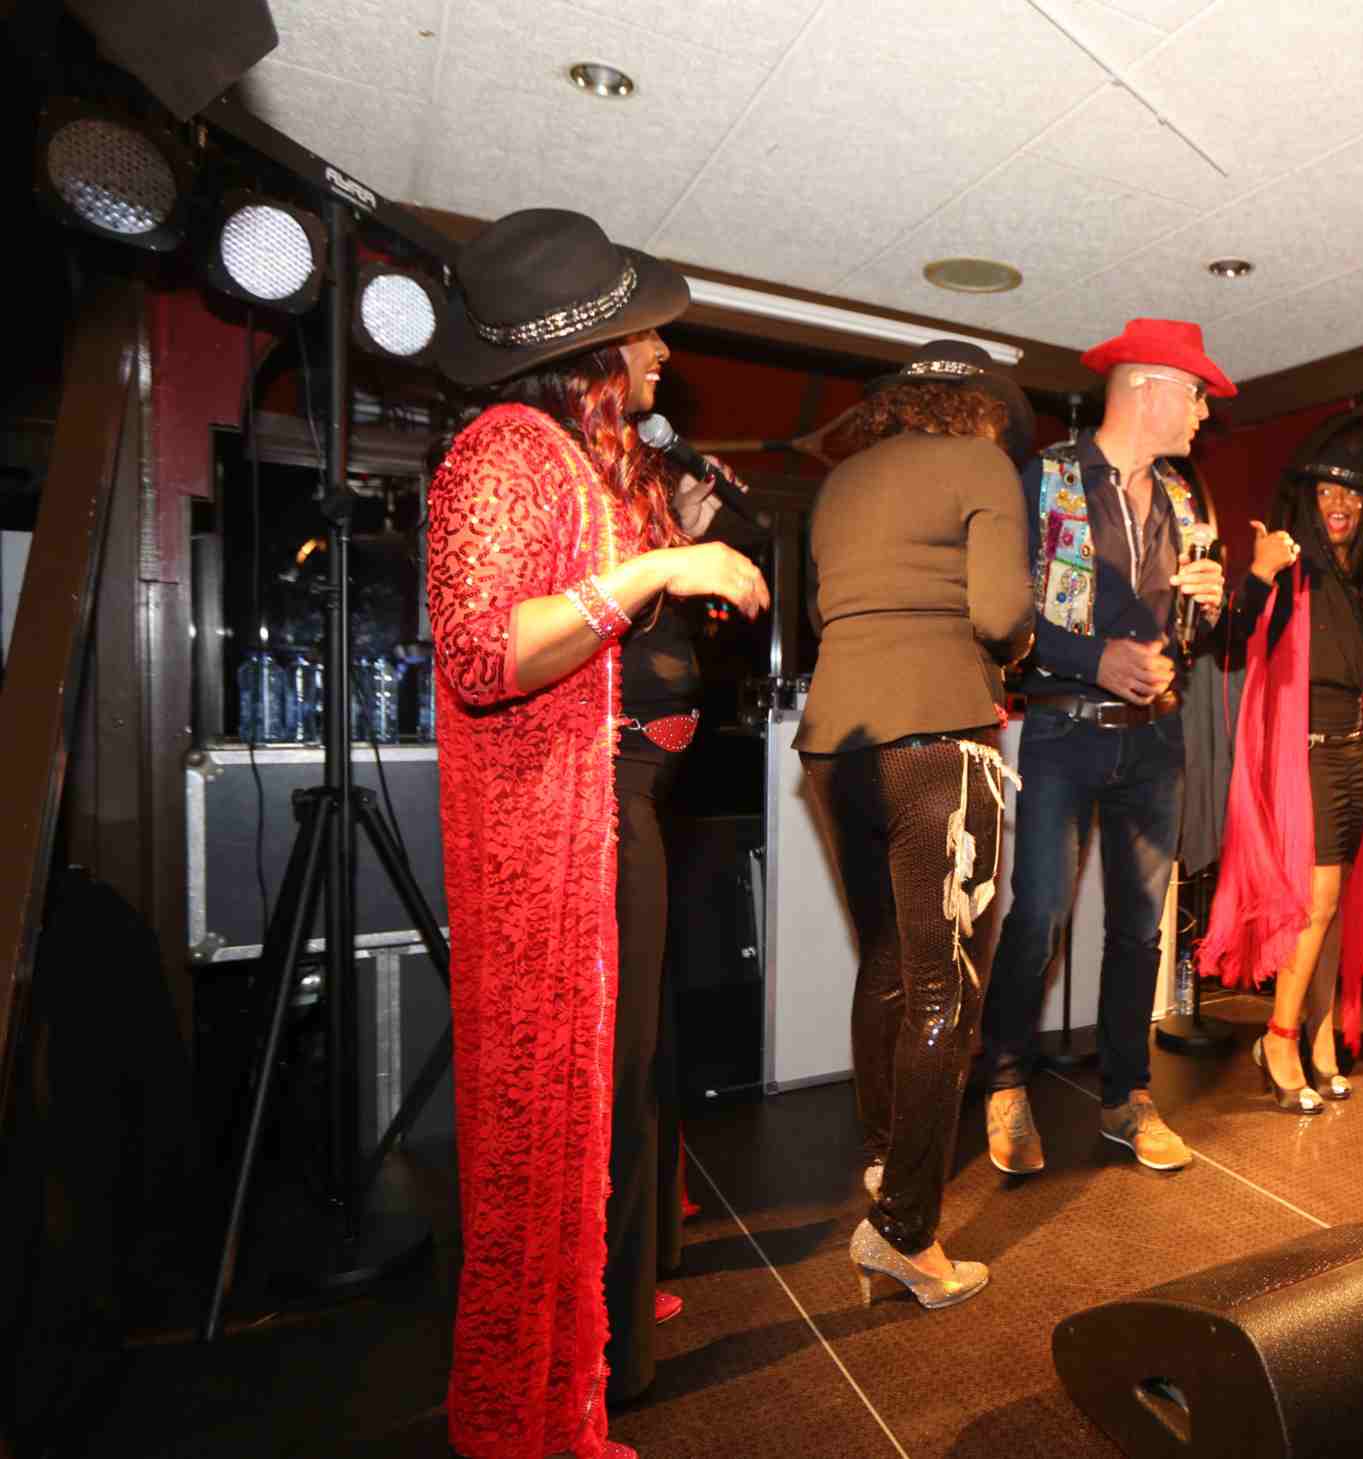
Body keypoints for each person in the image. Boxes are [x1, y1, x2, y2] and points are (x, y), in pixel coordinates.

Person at [429, 210, 769, 1459]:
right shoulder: (501, 449)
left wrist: (673, 564)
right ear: (593, 348)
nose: (664, 355)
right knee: (579, 1100)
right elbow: (484, 652)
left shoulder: (576, 459)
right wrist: (659, 573)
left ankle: (605, 1337)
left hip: (622, 803)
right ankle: (549, 1383)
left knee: (628, 1087)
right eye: (647, 334)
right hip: (568, 817)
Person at [795, 340, 1036, 1308]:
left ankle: (884, 1159)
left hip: (834, 745)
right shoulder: (980, 465)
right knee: (946, 990)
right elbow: (1001, 613)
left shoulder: (839, 483)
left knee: (887, 961)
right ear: (978, 408)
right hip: (938, 739)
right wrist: (1017, 642)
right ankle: (903, 1232)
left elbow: (823, 611)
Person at [977, 318, 1231, 1173]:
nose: (1203, 413)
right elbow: (1003, 616)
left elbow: (1190, 634)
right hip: (1064, 731)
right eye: (1196, 394)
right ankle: (1004, 1081)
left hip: (1157, 738)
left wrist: (1211, 606)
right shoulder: (1045, 479)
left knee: (1139, 930)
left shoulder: (1186, 500)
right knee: (1040, 913)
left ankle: (1127, 1096)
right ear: (1148, 386)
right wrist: (1094, 659)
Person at [1200, 437, 1363, 1110]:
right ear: (1310, 504)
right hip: (1306, 751)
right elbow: (1230, 640)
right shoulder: (1291, 570)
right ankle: (1278, 1036)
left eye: (1351, 492)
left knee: (1335, 906)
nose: (1338, 502)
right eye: (1326, 491)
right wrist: (1258, 573)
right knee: (1316, 900)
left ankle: (1318, 1039)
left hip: (1354, 751)